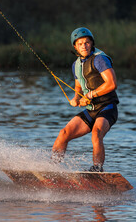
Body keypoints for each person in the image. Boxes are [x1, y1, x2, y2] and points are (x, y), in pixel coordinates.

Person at [51, 27, 119, 172]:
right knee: (64, 133)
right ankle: (52, 169)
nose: (84, 46)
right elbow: (79, 86)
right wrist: (76, 98)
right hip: (91, 110)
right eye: (80, 43)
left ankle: (97, 169)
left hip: (107, 107)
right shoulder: (76, 65)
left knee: (97, 132)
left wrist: (90, 95)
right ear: (75, 46)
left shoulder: (100, 59)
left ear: (92, 43)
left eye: (87, 42)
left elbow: (112, 84)